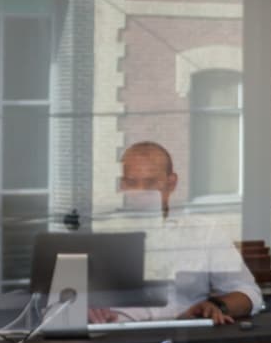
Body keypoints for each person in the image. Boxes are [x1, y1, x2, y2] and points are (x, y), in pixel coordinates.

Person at [106, 138, 257, 322]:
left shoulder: (204, 232)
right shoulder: (101, 232)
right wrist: (84, 309)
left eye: (151, 183)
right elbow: (66, 299)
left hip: (186, 335)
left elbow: (248, 293)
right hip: (116, 337)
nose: (140, 193)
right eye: (131, 183)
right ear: (121, 185)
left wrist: (216, 306)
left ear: (171, 183)